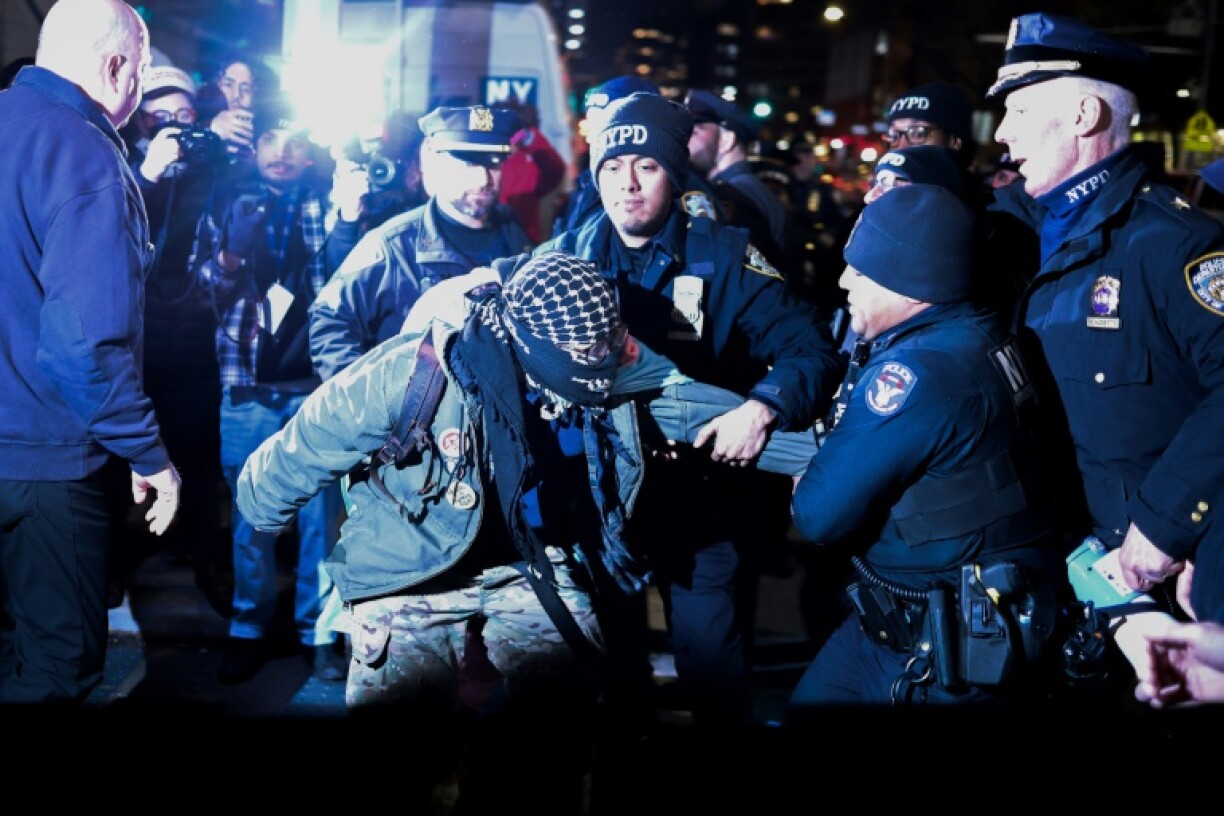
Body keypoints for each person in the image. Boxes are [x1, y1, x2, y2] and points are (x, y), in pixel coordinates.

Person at [238, 251, 646, 811]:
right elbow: (304, 443)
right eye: (580, 354)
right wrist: (263, 509)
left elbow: (687, 401)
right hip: (410, 560)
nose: (597, 362)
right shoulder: (412, 371)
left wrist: (774, 421)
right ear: (533, 344)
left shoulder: (605, 364)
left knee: (560, 726)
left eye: (601, 349)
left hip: (527, 559)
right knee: (402, 756)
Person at [501, 91, 843, 729]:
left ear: (673, 172)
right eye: (611, 167)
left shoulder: (725, 256)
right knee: (614, 674)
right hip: (598, 505)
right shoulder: (563, 259)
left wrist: (763, 408)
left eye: (646, 167)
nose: (626, 184)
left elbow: (812, 351)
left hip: (698, 497)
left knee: (712, 666)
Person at [988, 12, 1224, 626]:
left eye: (1018, 110)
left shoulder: (1177, 245)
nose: (1001, 134)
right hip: (1059, 562)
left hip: (1148, 578)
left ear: (1084, 117)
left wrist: (1166, 529)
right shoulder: (1019, 229)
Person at [786, 184, 1060, 713]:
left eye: (862, 273)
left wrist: (808, 483)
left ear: (914, 288)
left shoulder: (917, 374)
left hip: (946, 651)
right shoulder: (980, 329)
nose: (844, 282)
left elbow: (818, 515)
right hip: (902, 624)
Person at [0, 0, 180, 704]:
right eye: (140, 70)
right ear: (115, 67)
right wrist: (147, 454)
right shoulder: (83, 150)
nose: (139, 91)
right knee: (53, 672)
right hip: (45, 465)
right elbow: (83, 342)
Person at [192, 94, 349, 683]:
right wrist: (234, 247)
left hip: (316, 389)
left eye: (296, 142)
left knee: (322, 520)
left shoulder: (331, 202)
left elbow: (348, 274)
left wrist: (351, 211)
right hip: (247, 390)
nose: (283, 153)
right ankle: (248, 630)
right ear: (254, 149)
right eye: (272, 142)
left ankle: (320, 635)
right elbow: (202, 286)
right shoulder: (228, 199)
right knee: (251, 521)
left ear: (310, 153)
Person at [310, 105, 532, 382]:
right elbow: (329, 320)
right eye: (467, 163)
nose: (483, 179)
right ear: (436, 162)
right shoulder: (393, 245)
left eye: (493, 163)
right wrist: (372, 406)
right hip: (418, 419)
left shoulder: (518, 240)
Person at [684, 88, 791, 265]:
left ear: (726, 140)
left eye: (695, 132)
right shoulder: (749, 187)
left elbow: (728, 268)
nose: (686, 140)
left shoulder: (731, 196)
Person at [553, 74, 661, 236]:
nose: (589, 137)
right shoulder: (587, 182)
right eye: (589, 123)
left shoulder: (665, 188)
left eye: (601, 125)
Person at [497, 99, 566, 244]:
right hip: (494, 236)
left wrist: (529, 137)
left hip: (526, 239)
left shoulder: (530, 161)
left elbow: (555, 169)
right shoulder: (493, 159)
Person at [882, 81, 977, 170]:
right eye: (894, 136)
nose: (901, 147)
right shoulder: (881, 185)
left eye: (918, 133)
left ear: (954, 142)